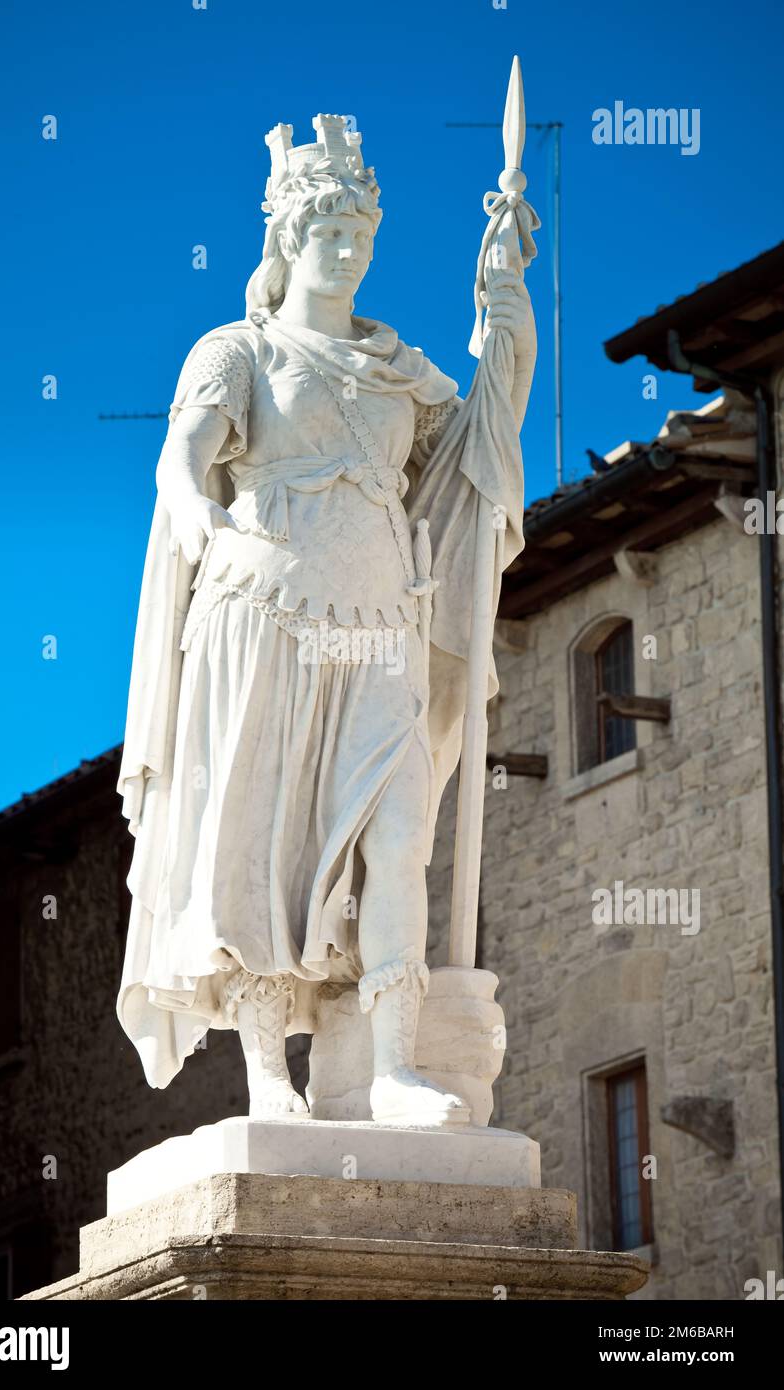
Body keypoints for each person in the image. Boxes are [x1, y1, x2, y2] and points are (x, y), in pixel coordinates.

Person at [116, 114, 536, 1124]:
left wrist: (504, 310)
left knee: (398, 836)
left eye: (360, 235)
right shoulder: (238, 351)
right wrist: (192, 504)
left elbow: (477, 444)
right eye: (329, 234)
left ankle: (391, 1069)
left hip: (382, 625)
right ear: (289, 239)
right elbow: (184, 454)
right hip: (263, 614)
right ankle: (269, 1071)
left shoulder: (399, 370)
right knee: (262, 845)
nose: (346, 253)